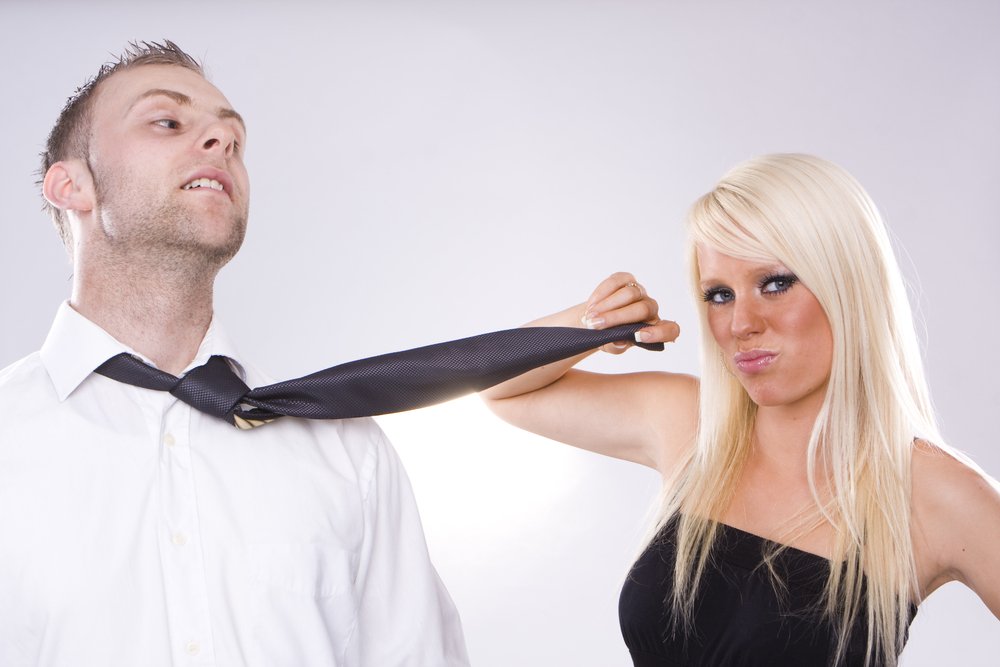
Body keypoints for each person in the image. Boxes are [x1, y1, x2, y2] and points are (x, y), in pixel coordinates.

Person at [0, 41, 469, 666]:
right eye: (167, 121)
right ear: (72, 185)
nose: (221, 142)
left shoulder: (346, 451)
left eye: (235, 140)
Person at [481, 153, 1000, 666]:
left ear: (847, 283)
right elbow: (496, 386)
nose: (740, 323)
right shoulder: (693, 426)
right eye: (719, 295)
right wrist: (594, 325)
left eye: (775, 284)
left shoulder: (933, 492)